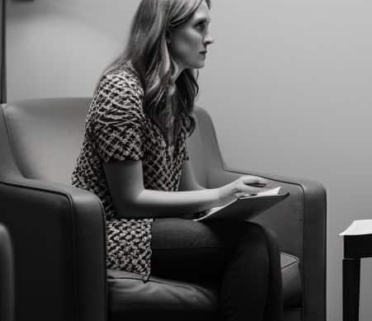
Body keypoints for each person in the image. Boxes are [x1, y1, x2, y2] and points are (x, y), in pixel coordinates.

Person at [71, 1, 282, 320]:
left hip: (157, 226)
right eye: (200, 26)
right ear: (166, 33)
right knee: (248, 242)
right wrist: (223, 194)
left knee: (265, 237)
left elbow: (188, 188)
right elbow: (130, 201)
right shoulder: (120, 89)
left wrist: (232, 205)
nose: (209, 38)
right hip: (113, 232)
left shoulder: (175, 95)